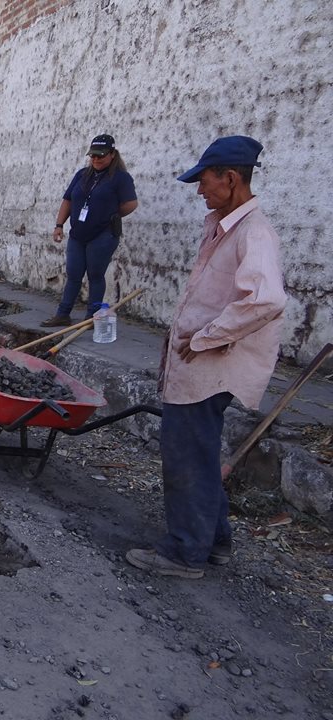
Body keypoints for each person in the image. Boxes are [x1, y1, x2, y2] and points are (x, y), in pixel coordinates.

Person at [126, 136, 287, 579]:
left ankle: (184, 553)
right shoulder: (225, 225)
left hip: (211, 368)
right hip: (202, 365)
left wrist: (205, 337)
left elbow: (266, 300)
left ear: (231, 178)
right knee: (198, 451)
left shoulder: (254, 232)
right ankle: (214, 542)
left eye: (205, 181)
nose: (200, 190)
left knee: (186, 456)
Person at [42, 134, 138, 327]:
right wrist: (59, 225)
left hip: (103, 234)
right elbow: (68, 199)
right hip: (78, 233)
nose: (96, 159)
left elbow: (131, 204)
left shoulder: (121, 178)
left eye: (100, 155)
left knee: (95, 274)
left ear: (112, 154)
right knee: (74, 274)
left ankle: (92, 317)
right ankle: (63, 313)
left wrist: (111, 215)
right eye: (93, 155)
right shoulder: (81, 175)